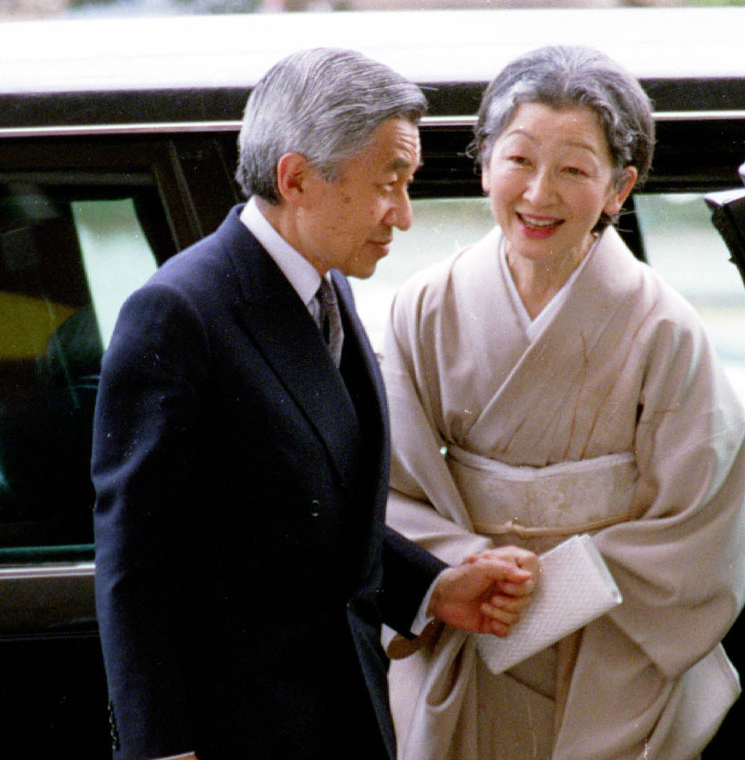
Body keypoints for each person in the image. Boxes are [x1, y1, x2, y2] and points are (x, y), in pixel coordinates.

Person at [92, 48, 538, 760]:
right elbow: (138, 565)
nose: (404, 215)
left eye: (408, 183)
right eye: (388, 182)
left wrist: (431, 589)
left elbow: (309, 509)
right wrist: (159, 749)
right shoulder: (180, 312)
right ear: (296, 178)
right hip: (240, 730)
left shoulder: (327, 285)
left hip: (345, 713)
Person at [382, 45, 745, 760]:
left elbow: (706, 518)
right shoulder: (424, 307)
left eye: (575, 170)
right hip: (468, 628)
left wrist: (553, 593)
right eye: (519, 160)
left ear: (620, 188)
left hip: (611, 651)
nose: (539, 194)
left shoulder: (664, 328)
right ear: (485, 160)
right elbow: (389, 486)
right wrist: (468, 571)